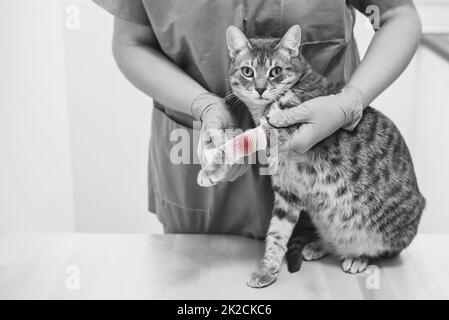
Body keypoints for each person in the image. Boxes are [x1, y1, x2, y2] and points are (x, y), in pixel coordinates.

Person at [93, 0, 421, 244]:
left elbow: (396, 15)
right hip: (198, 172)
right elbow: (132, 41)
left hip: (328, 172)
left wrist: (349, 101)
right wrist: (203, 105)